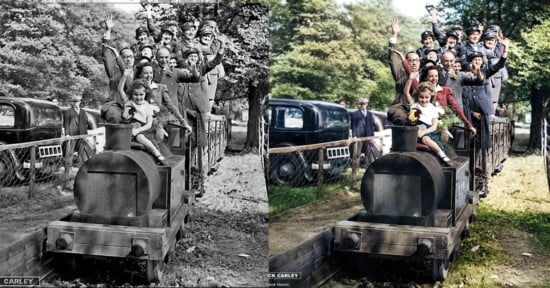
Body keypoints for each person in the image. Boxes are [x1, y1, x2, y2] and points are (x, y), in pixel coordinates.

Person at [122, 80, 168, 166]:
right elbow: (126, 119)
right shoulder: (130, 103)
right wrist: (125, 113)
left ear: (145, 94)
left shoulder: (147, 106)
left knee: (140, 137)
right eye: (136, 95)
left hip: (145, 130)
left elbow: (149, 124)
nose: (138, 97)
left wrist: (137, 130)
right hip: (131, 128)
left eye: (141, 95)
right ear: (131, 94)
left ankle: (156, 153)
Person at [409, 82, 453, 166]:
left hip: (430, 131)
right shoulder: (415, 105)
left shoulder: (432, 108)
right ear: (417, 96)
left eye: (426, 97)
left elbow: (434, 126)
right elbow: (412, 121)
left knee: (426, 139)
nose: (424, 100)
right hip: (417, 130)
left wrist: (424, 132)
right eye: (421, 97)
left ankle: (442, 155)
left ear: (431, 97)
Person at [387, 17, 421, 125]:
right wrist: (394, 35)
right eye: (410, 60)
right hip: (400, 108)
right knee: (403, 119)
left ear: (419, 62)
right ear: (405, 62)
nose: (413, 63)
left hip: (418, 109)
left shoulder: (425, 77)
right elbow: (393, 57)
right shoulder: (400, 74)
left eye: (416, 60)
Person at [63, 95, 91, 164]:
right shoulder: (68, 111)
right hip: (72, 135)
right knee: (70, 152)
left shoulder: (83, 112)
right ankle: (68, 167)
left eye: (78, 102)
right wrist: (67, 134)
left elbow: (85, 124)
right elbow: (66, 124)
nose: (76, 103)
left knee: (81, 152)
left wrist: (86, 135)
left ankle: (81, 166)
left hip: (81, 135)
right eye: (75, 102)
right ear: (72, 103)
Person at [350, 98, 378, 168]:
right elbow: (353, 125)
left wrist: (372, 136)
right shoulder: (355, 114)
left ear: (367, 104)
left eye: (365, 104)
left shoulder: (370, 114)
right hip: (359, 136)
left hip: (368, 136)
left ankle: (367, 167)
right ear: (360, 105)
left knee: (368, 153)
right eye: (362, 104)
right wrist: (354, 136)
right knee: (357, 153)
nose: (363, 105)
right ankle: (356, 167)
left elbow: (372, 126)